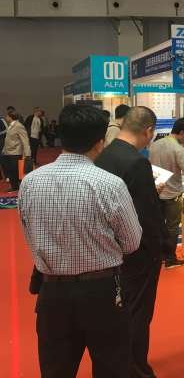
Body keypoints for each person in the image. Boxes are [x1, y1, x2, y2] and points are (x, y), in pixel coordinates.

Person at [18, 104, 142, 377]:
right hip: (103, 291)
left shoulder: (30, 182)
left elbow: (29, 232)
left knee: (55, 370)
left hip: (52, 292)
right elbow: (132, 242)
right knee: (112, 368)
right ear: (99, 142)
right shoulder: (110, 184)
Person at [95, 106, 170, 378]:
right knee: (138, 313)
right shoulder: (137, 163)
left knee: (119, 311)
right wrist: (160, 249)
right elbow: (146, 216)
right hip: (138, 252)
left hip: (110, 248)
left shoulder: (104, 155)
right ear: (148, 131)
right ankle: (136, 369)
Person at [149, 117, 184, 268]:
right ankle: (170, 258)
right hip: (172, 194)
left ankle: (159, 256)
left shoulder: (155, 144)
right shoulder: (178, 149)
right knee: (172, 228)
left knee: (159, 226)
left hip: (156, 192)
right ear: (182, 133)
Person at [2, 111, 31, 191]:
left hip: (16, 152)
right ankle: (14, 186)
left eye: (7, 116)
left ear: (10, 117)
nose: (6, 117)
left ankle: (16, 187)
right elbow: (7, 139)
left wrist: (27, 154)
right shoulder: (10, 125)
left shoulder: (19, 126)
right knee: (11, 170)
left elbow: (25, 140)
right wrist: (4, 149)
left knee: (15, 170)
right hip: (8, 152)